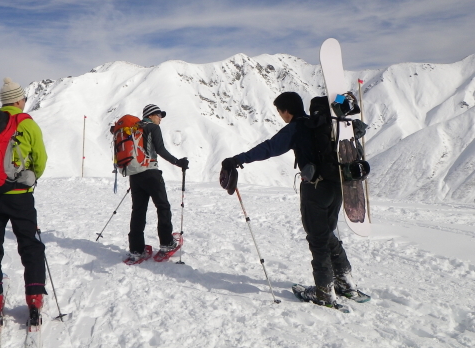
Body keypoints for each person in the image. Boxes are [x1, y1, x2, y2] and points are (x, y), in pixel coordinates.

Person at [221, 92, 358, 307]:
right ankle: (345, 282)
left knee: (317, 239)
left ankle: (324, 291)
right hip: (339, 185)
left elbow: (269, 148)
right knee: (326, 234)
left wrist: (239, 159)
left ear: (286, 111)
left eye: (280, 111)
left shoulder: (297, 127)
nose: (280, 116)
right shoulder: (329, 125)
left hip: (315, 189)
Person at [0, 77, 48, 323]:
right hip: (20, 196)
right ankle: (35, 298)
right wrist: (31, 177)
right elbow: (40, 158)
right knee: (30, 244)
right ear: (19, 100)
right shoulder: (26, 123)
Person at [126, 104, 189, 262]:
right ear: (151, 115)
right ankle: (167, 243)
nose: (160, 118)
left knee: (138, 211)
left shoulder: (135, 129)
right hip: (151, 173)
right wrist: (178, 162)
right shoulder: (153, 128)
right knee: (163, 206)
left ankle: (136, 249)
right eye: (159, 115)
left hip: (134, 175)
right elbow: (160, 150)